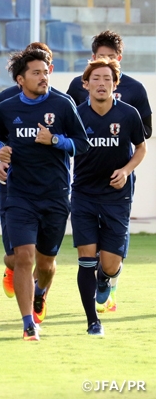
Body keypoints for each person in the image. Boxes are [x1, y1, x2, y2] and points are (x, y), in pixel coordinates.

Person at [0, 48, 89, 341]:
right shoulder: (6, 107)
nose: (43, 77)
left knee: (45, 264)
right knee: (23, 257)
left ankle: (40, 291)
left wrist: (55, 139)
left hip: (55, 194)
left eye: (46, 72)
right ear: (21, 79)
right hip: (19, 194)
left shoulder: (63, 104)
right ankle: (28, 323)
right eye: (36, 72)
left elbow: (82, 144)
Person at [66, 30, 152, 313]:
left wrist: (126, 170)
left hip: (117, 190)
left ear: (117, 82)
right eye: (97, 71)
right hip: (85, 190)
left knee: (110, 262)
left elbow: (143, 143)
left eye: (108, 72)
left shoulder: (131, 107)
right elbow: (65, 139)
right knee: (87, 256)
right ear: (86, 81)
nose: (101, 81)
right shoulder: (77, 109)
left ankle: (107, 279)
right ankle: (92, 319)